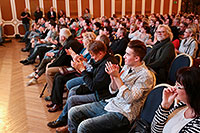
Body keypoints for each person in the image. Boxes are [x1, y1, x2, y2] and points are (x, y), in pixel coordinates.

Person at [68, 40, 155, 133]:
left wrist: (117, 77)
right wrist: (113, 78)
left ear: (137, 58)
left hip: (124, 113)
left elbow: (130, 99)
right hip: (112, 103)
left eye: (128, 54)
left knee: (84, 126)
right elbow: (113, 91)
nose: (124, 56)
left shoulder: (145, 76)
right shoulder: (127, 66)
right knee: (73, 112)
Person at [47, 40, 118, 132]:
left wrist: (82, 70)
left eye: (92, 55)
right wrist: (83, 64)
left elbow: (93, 86)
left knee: (72, 99)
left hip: (101, 95)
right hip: (97, 89)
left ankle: (70, 128)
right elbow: (92, 72)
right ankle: (65, 121)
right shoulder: (102, 59)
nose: (91, 57)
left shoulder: (108, 64)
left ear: (100, 53)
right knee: (72, 90)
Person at [151, 67, 200, 133]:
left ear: (192, 92)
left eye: (178, 86)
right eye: (175, 84)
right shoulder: (182, 106)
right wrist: (164, 106)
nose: (174, 88)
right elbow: (155, 130)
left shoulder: (197, 126)